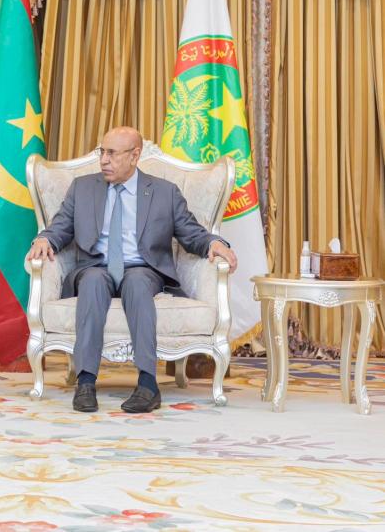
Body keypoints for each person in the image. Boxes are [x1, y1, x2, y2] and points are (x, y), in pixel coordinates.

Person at [25, 126, 238, 414]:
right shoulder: (82, 188)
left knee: (137, 282)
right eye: (102, 152)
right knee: (92, 282)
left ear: (135, 156)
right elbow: (60, 226)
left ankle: (148, 385)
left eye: (112, 153)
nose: (104, 160)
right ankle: (85, 383)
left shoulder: (164, 192)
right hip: (96, 266)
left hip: (142, 268)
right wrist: (44, 239)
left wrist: (215, 243)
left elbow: (192, 233)